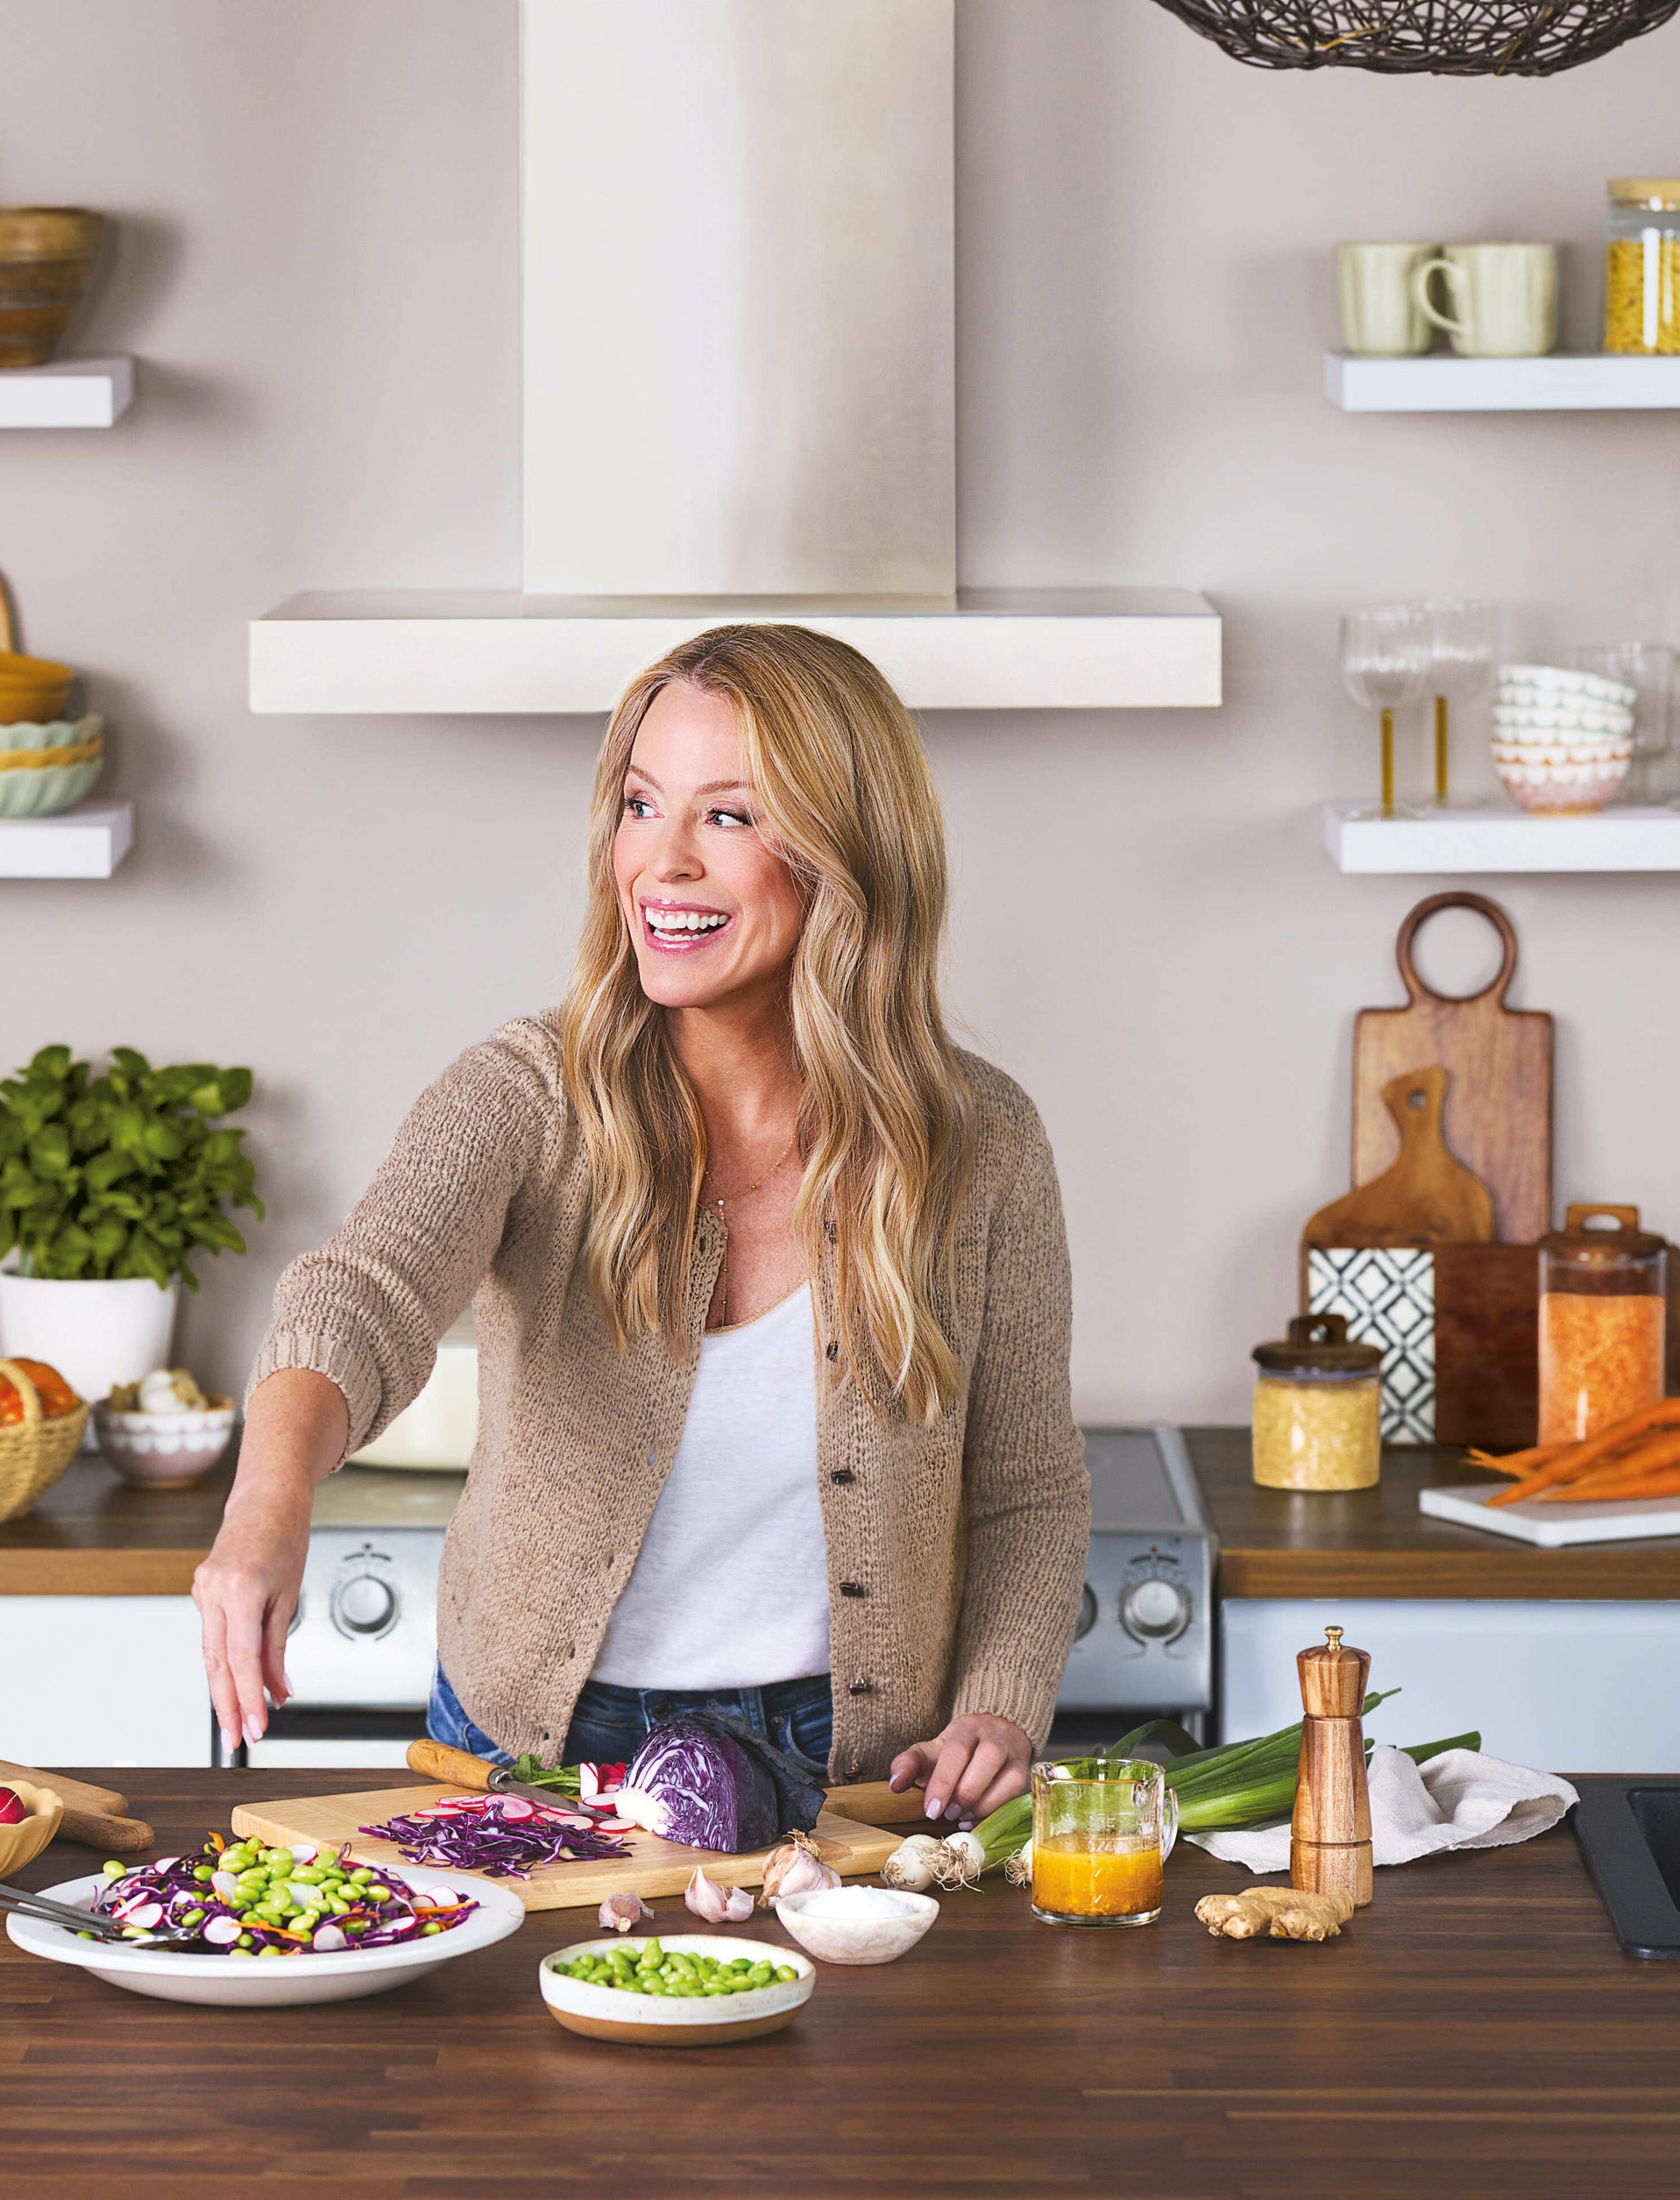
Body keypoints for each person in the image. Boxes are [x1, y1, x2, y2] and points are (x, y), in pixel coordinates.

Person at [194, 623, 1088, 1826]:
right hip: (540, 1753)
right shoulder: (524, 1097)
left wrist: (1000, 1698)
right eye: (638, 803)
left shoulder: (981, 1142)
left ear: (847, 850)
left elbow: (1029, 1489)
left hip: (859, 1772)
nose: (659, 864)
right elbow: (364, 1294)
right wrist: (266, 1510)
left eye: (728, 816)